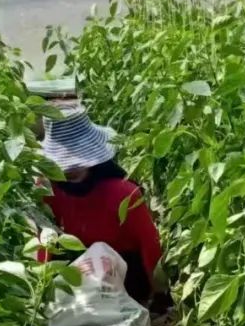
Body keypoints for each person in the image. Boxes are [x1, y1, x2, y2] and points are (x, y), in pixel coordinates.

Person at [36, 101, 166, 306]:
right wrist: (40, 288)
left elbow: (149, 244)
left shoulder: (123, 193)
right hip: (83, 265)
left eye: (76, 162)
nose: (70, 171)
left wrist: (159, 294)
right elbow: (45, 239)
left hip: (125, 272)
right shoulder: (48, 188)